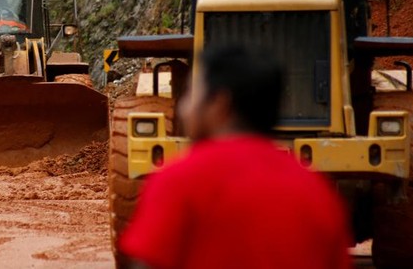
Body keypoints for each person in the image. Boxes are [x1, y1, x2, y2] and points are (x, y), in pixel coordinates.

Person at [120, 45, 352, 269]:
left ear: (220, 104)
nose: (183, 107)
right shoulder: (318, 194)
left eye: (191, 93)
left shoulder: (180, 180)